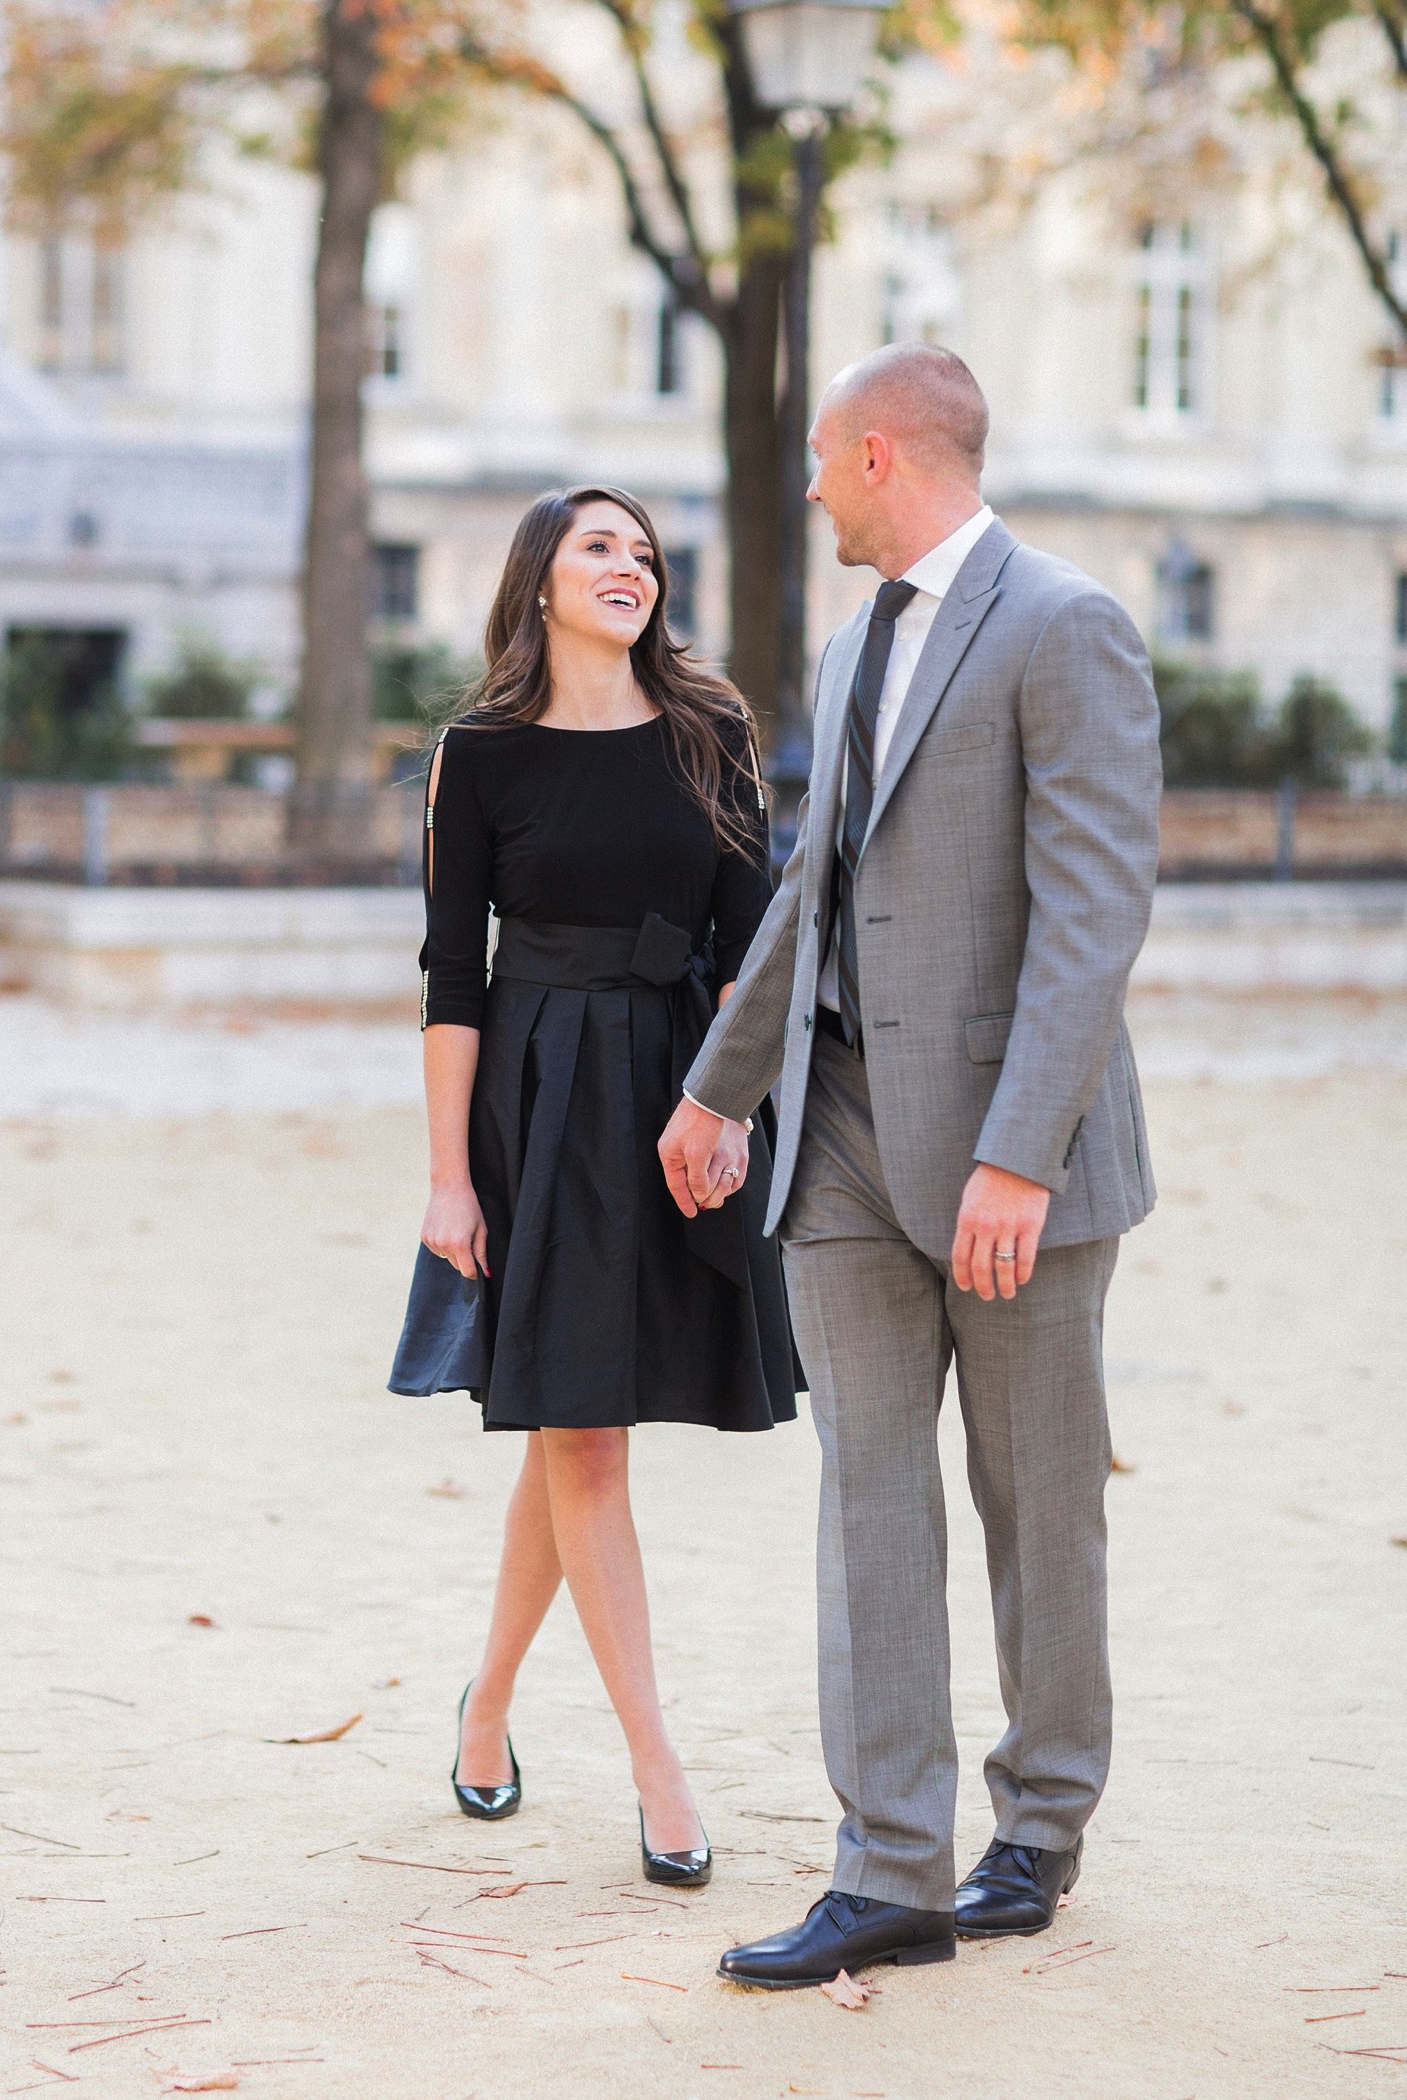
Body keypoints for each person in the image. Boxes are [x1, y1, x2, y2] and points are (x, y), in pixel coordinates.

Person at [659, 343, 1162, 1985]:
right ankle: (890, 1869)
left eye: (820, 458)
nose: (806, 485)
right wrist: (719, 1089)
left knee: (1036, 1510)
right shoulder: (855, 637)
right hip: (845, 1151)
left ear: (884, 455)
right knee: (868, 1503)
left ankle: (1040, 1825)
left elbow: (1093, 915)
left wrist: (1020, 1156)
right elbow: (817, 880)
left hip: (1014, 1158)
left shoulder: (1065, 622)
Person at [398, 482, 798, 1890]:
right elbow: (453, 979)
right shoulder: (479, 754)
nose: (630, 566)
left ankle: (490, 1706)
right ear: (542, 579)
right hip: (539, 1097)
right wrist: (449, 1181)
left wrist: (728, 1101)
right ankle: (658, 1768)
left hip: (680, 1094)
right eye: (599, 546)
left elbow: (757, 940)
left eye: (644, 551)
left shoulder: (713, 731)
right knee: (584, 1436)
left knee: (572, 1431)